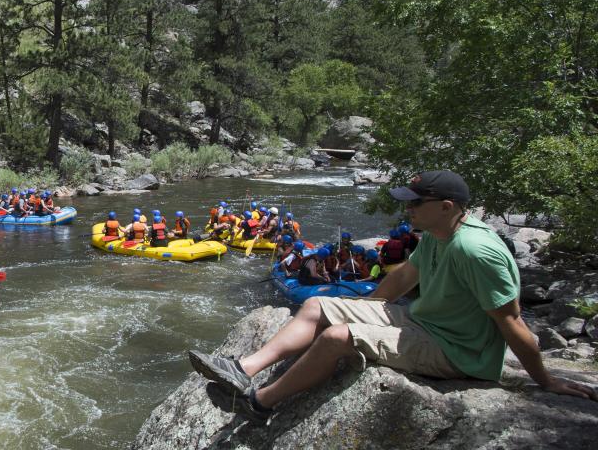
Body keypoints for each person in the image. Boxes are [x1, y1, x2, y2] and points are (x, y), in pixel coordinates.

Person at [187, 169, 598, 425]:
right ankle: (244, 367)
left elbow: (512, 322)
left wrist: (545, 380)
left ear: (448, 206)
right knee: (316, 306)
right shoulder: (438, 234)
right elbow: (404, 276)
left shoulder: (476, 250)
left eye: (417, 203)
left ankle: (259, 404)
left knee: (336, 338)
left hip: (458, 351)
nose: (409, 210)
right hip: (425, 323)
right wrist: (367, 309)